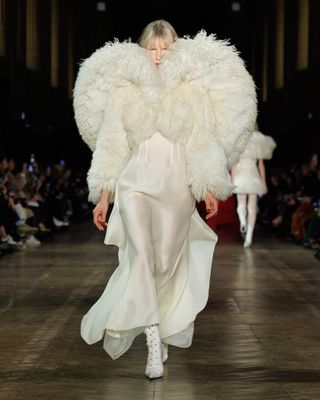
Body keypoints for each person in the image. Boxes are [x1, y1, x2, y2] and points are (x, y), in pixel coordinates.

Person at [73, 19, 257, 379]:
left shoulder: (192, 92)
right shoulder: (123, 92)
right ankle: (153, 340)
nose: (158, 56)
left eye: (165, 48)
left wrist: (207, 185)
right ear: (142, 50)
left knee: (165, 265)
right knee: (141, 257)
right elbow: (111, 145)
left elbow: (201, 143)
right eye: (152, 48)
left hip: (176, 188)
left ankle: (161, 320)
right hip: (135, 185)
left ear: (175, 50)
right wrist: (104, 195)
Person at [231, 126, 276, 247]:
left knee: (241, 204)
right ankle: (249, 237)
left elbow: (234, 165)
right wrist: (264, 182)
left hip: (240, 176)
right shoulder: (258, 143)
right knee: (252, 207)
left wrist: (232, 181)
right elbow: (261, 165)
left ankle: (242, 220)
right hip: (253, 176)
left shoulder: (238, 141)